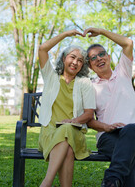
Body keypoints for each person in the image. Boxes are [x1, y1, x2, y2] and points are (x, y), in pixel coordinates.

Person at [85, 28, 135, 187]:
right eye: (93, 58)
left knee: (131, 129)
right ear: (91, 66)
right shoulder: (90, 87)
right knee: (128, 155)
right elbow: (89, 121)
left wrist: (101, 31)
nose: (99, 58)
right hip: (108, 137)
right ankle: (112, 181)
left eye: (101, 54)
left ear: (108, 56)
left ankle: (111, 180)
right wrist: (106, 127)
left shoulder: (123, 72)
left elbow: (128, 43)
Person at [38, 30, 96, 187]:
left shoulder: (85, 83)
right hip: (49, 133)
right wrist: (66, 34)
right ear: (64, 59)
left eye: (80, 60)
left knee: (68, 129)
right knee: (68, 146)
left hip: (75, 132)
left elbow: (89, 114)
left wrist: (73, 121)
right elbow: (43, 49)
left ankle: (46, 182)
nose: (75, 62)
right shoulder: (51, 77)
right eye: (72, 57)